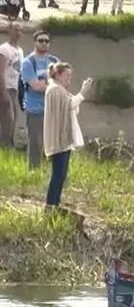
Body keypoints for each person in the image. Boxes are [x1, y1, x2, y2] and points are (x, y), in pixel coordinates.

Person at [42, 61, 91, 210]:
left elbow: (70, 107)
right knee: (58, 175)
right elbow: (69, 106)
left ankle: (54, 204)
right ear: (57, 74)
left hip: (62, 140)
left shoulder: (59, 89)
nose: (69, 78)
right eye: (67, 75)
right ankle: (51, 205)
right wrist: (82, 93)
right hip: (59, 139)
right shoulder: (55, 89)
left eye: (71, 75)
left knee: (61, 175)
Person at [20, 30, 58, 169]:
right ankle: (33, 173)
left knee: (54, 143)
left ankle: (52, 172)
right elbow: (36, 86)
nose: (43, 43)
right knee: (36, 144)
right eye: (40, 40)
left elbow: (63, 83)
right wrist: (53, 85)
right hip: (35, 109)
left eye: (46, 41)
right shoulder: (28, 62)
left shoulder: (54, 61)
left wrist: (48, 85)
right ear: (35, 42)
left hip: (52, 109)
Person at [0, 23, 22, 147]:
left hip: (14, 89)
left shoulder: (20, 50)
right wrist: (3, 92)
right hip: (5, 87)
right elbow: (1, 72)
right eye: (15, 29)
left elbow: (19, 72)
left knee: (15, 117)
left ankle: (9, 145)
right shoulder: (4, 49)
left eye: (20, 30)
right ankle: (4, 147)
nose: (18, 32)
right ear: (9, 31)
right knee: (8, 119)